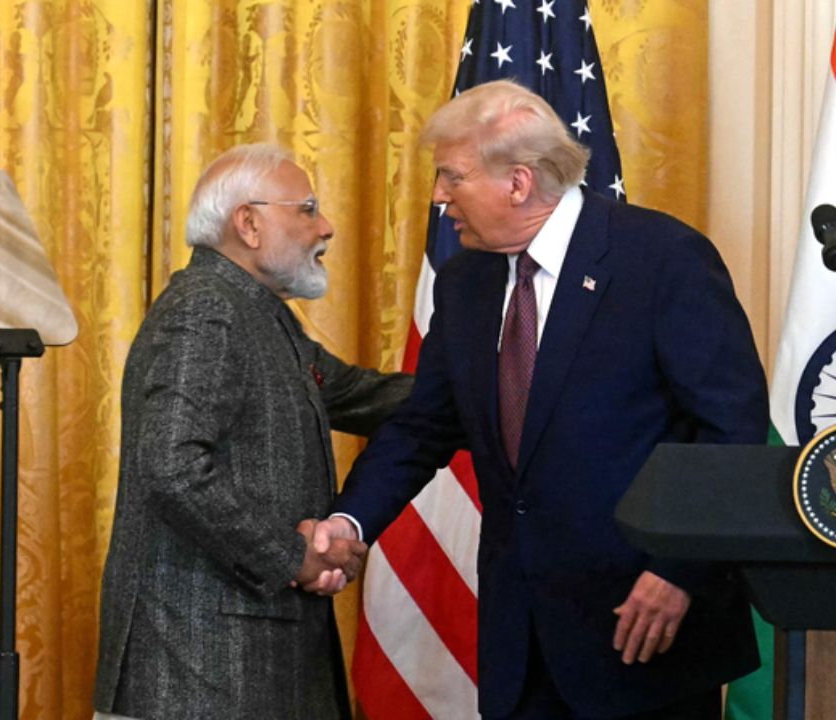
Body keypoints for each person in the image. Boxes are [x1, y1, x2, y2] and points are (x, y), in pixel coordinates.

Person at [311, 80, 767, 720]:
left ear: (518, 183)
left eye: (452, 176)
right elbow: (423, 426)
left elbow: (732, 431)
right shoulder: (465, 281)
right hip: (520, 643)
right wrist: (349, 523)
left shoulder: (662, 259)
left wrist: (681, 572)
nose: (439, 196)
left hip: (645, 631)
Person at [93, 144, 415, 720]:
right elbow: (170, 467)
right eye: (307, 209)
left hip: (240, 673)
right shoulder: (206, 310)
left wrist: (500, 390)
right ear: (248, 223)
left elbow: (363, 396)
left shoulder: (257, 312)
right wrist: (291, 557)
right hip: (197, 680)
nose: (326, 226)